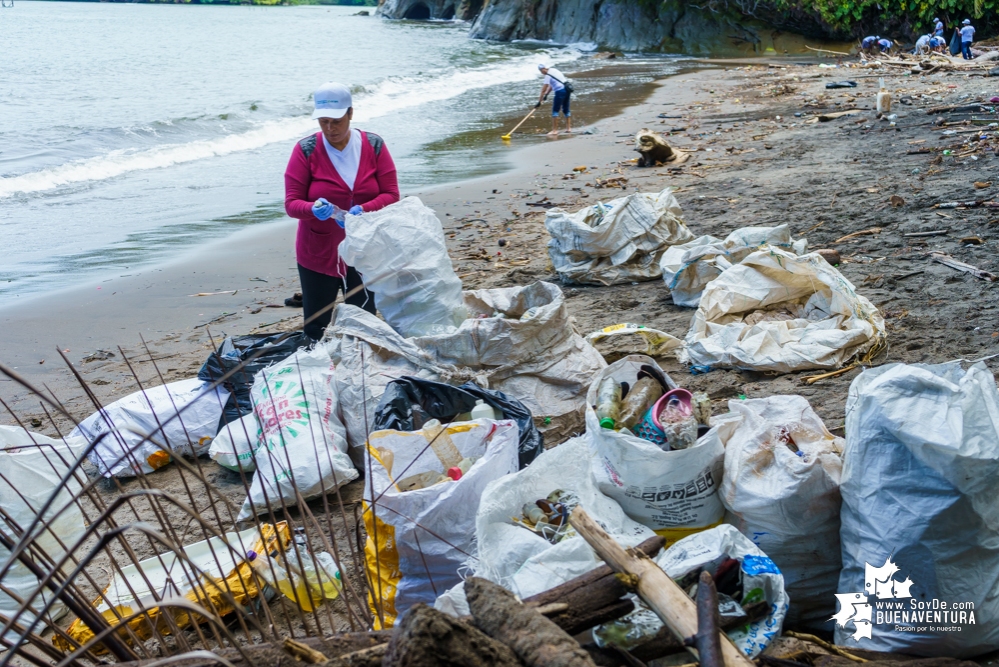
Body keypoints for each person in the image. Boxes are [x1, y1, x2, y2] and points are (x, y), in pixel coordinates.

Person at [284, 81, 400, 340]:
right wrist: (313, 209)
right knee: (316, 327)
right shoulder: (306, 150)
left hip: (364, 251)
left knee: (364, 322)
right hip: (318, 253)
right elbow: (292, 204)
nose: (329, 128)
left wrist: (364, 209)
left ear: (350, 113)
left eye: (336, 120)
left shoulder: (373, 145)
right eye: (323, 121)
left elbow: (391, 194)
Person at [535, 63, 571, 136]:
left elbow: (543, 90)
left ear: (543, 69)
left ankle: (555, 130)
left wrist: (539, 101)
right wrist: (547, 95)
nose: (542, 73)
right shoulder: (553, 70)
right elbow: (552, 84)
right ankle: (568, 129)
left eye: (541, 71)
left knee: (555, 111)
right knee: (566, 109)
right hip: (567, 89)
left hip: (560, 91)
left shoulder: (547, 76)